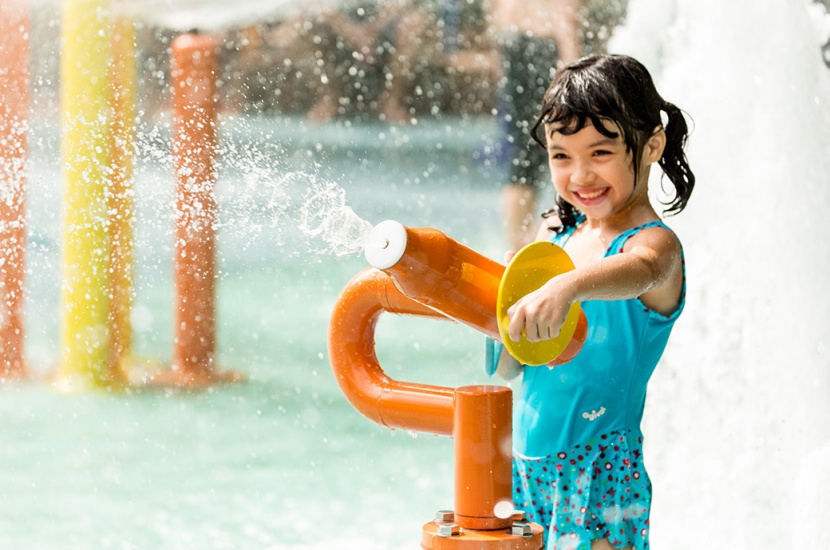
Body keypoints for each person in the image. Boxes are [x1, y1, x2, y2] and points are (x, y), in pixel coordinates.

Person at [491, 54, 695, 549]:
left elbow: (639, 272)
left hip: (600, 468)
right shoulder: (556, 234)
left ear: (651, 146)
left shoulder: (652, 246)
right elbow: (512, 358)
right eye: (562, 156)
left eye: (600, 152)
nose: (579, 175)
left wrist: (569, 286)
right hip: (526, 460)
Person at [491, 0, 630, 252]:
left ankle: (515, 244)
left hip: (515, 41)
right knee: (569, 143)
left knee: (524, 156)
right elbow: (564, 10)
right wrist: (573, 69)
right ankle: (540, 244)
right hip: (548, 48)